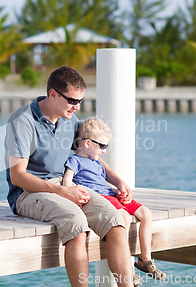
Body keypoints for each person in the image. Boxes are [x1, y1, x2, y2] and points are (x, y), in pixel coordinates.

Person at [5, 66, 139, 287]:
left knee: (116, 219)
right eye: (72, 101)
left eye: (80, 101)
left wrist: (116, 180)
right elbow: (18, 176)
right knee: (76, 222)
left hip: (65, 187)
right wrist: (63, 191)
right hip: (28, 193)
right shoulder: (23, 121)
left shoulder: (69, 121)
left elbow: (88, 153)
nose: (77, 107)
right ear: (53, 94)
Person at [62, 117, 166, 281]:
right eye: (102, 146)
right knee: (123, 217)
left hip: (111, 194)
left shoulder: (96, 161)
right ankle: (127, 269)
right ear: (87, 143)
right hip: (101, 198)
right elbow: (67, 181)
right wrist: (70, 192)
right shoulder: (75, 161)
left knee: (146, 213)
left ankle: (145, 259)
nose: (104, 150)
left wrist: (120, 189)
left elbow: (104, 181)